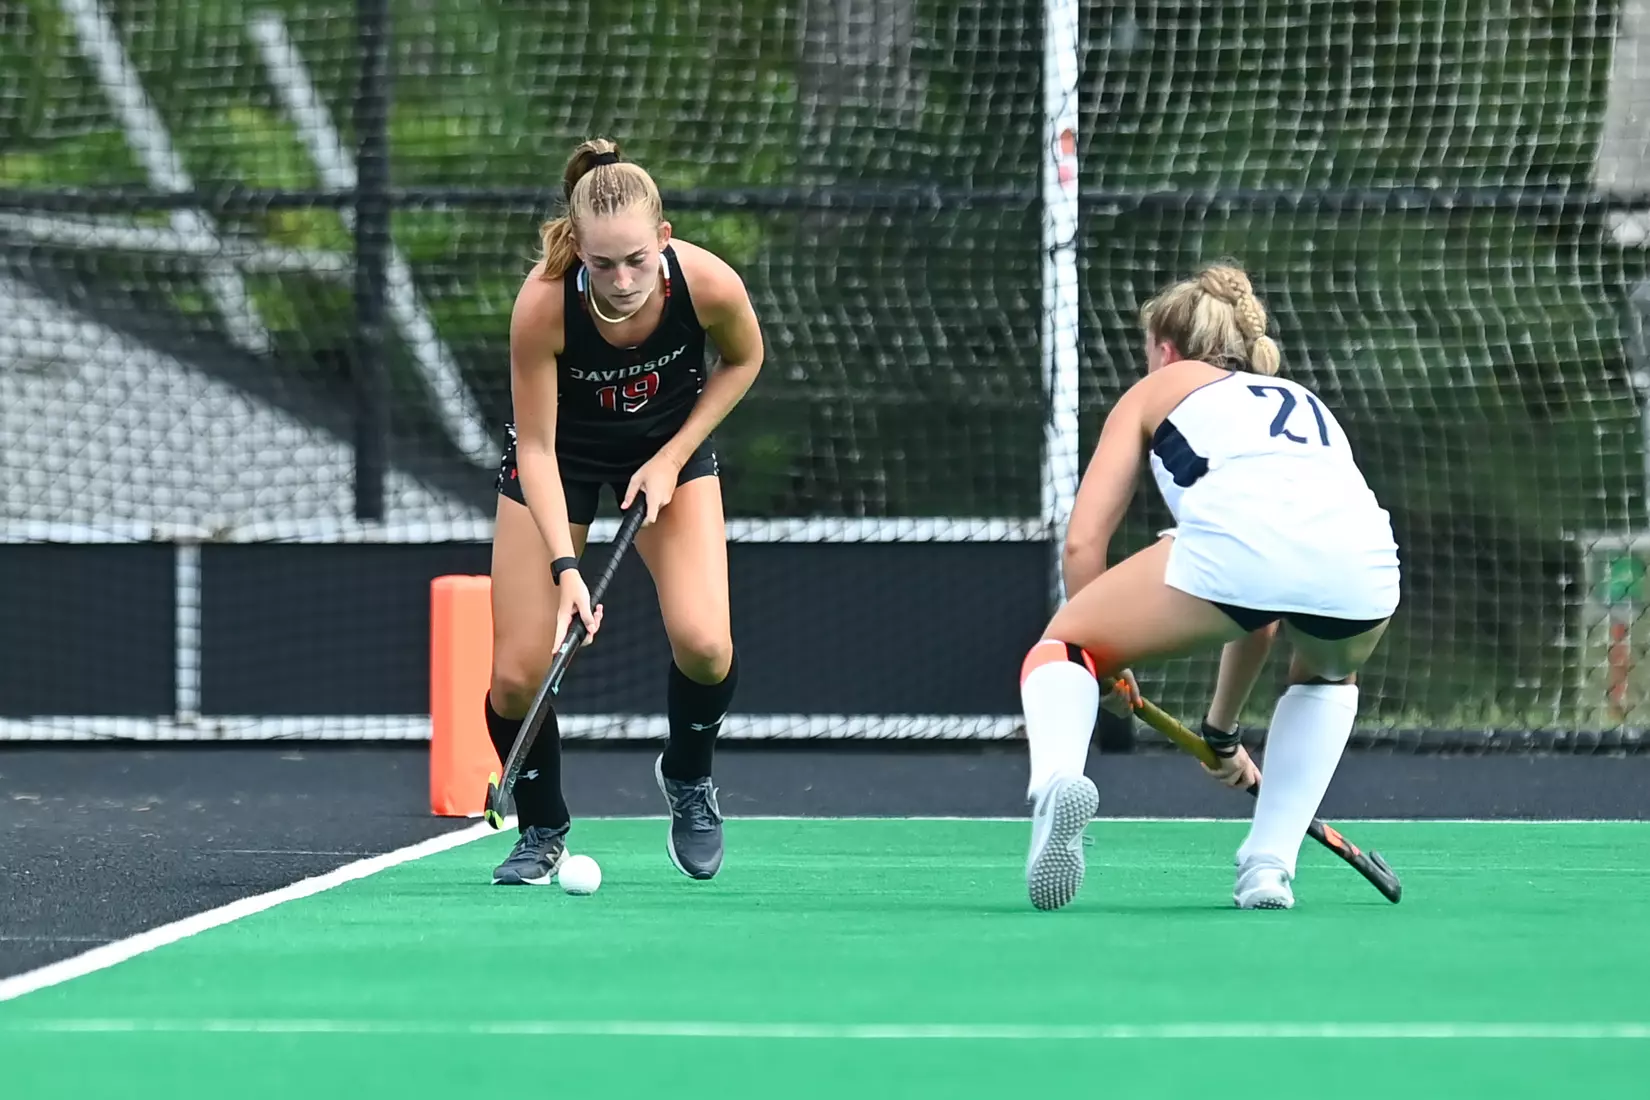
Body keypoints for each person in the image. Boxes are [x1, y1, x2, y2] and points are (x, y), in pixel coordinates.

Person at [1019, 261, 1400, 912]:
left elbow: (1083, 544)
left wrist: (1103, 665)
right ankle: (1269, 865)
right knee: (1328, 678)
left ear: (1165, 350)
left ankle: (1057, 781)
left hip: (1240, 551)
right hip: (1363, 567)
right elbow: (1263, 616)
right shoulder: (1304, 402)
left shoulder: (1158, 389)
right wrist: (1221, 734)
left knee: (1059, 651)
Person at [485, 137, 764, 886]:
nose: (622, 280)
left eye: (637, 259)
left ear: (663, 240)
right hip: (562, 462)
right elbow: (538, 453)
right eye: (603, 264)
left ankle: (689, 778)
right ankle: (542, 827)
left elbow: (744, 360)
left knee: (706, 644)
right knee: (517, 677)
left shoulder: (706, 282)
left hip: (666, 449)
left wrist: (673, 456)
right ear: (577, 248)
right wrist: (567, 571)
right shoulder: (543, 307)